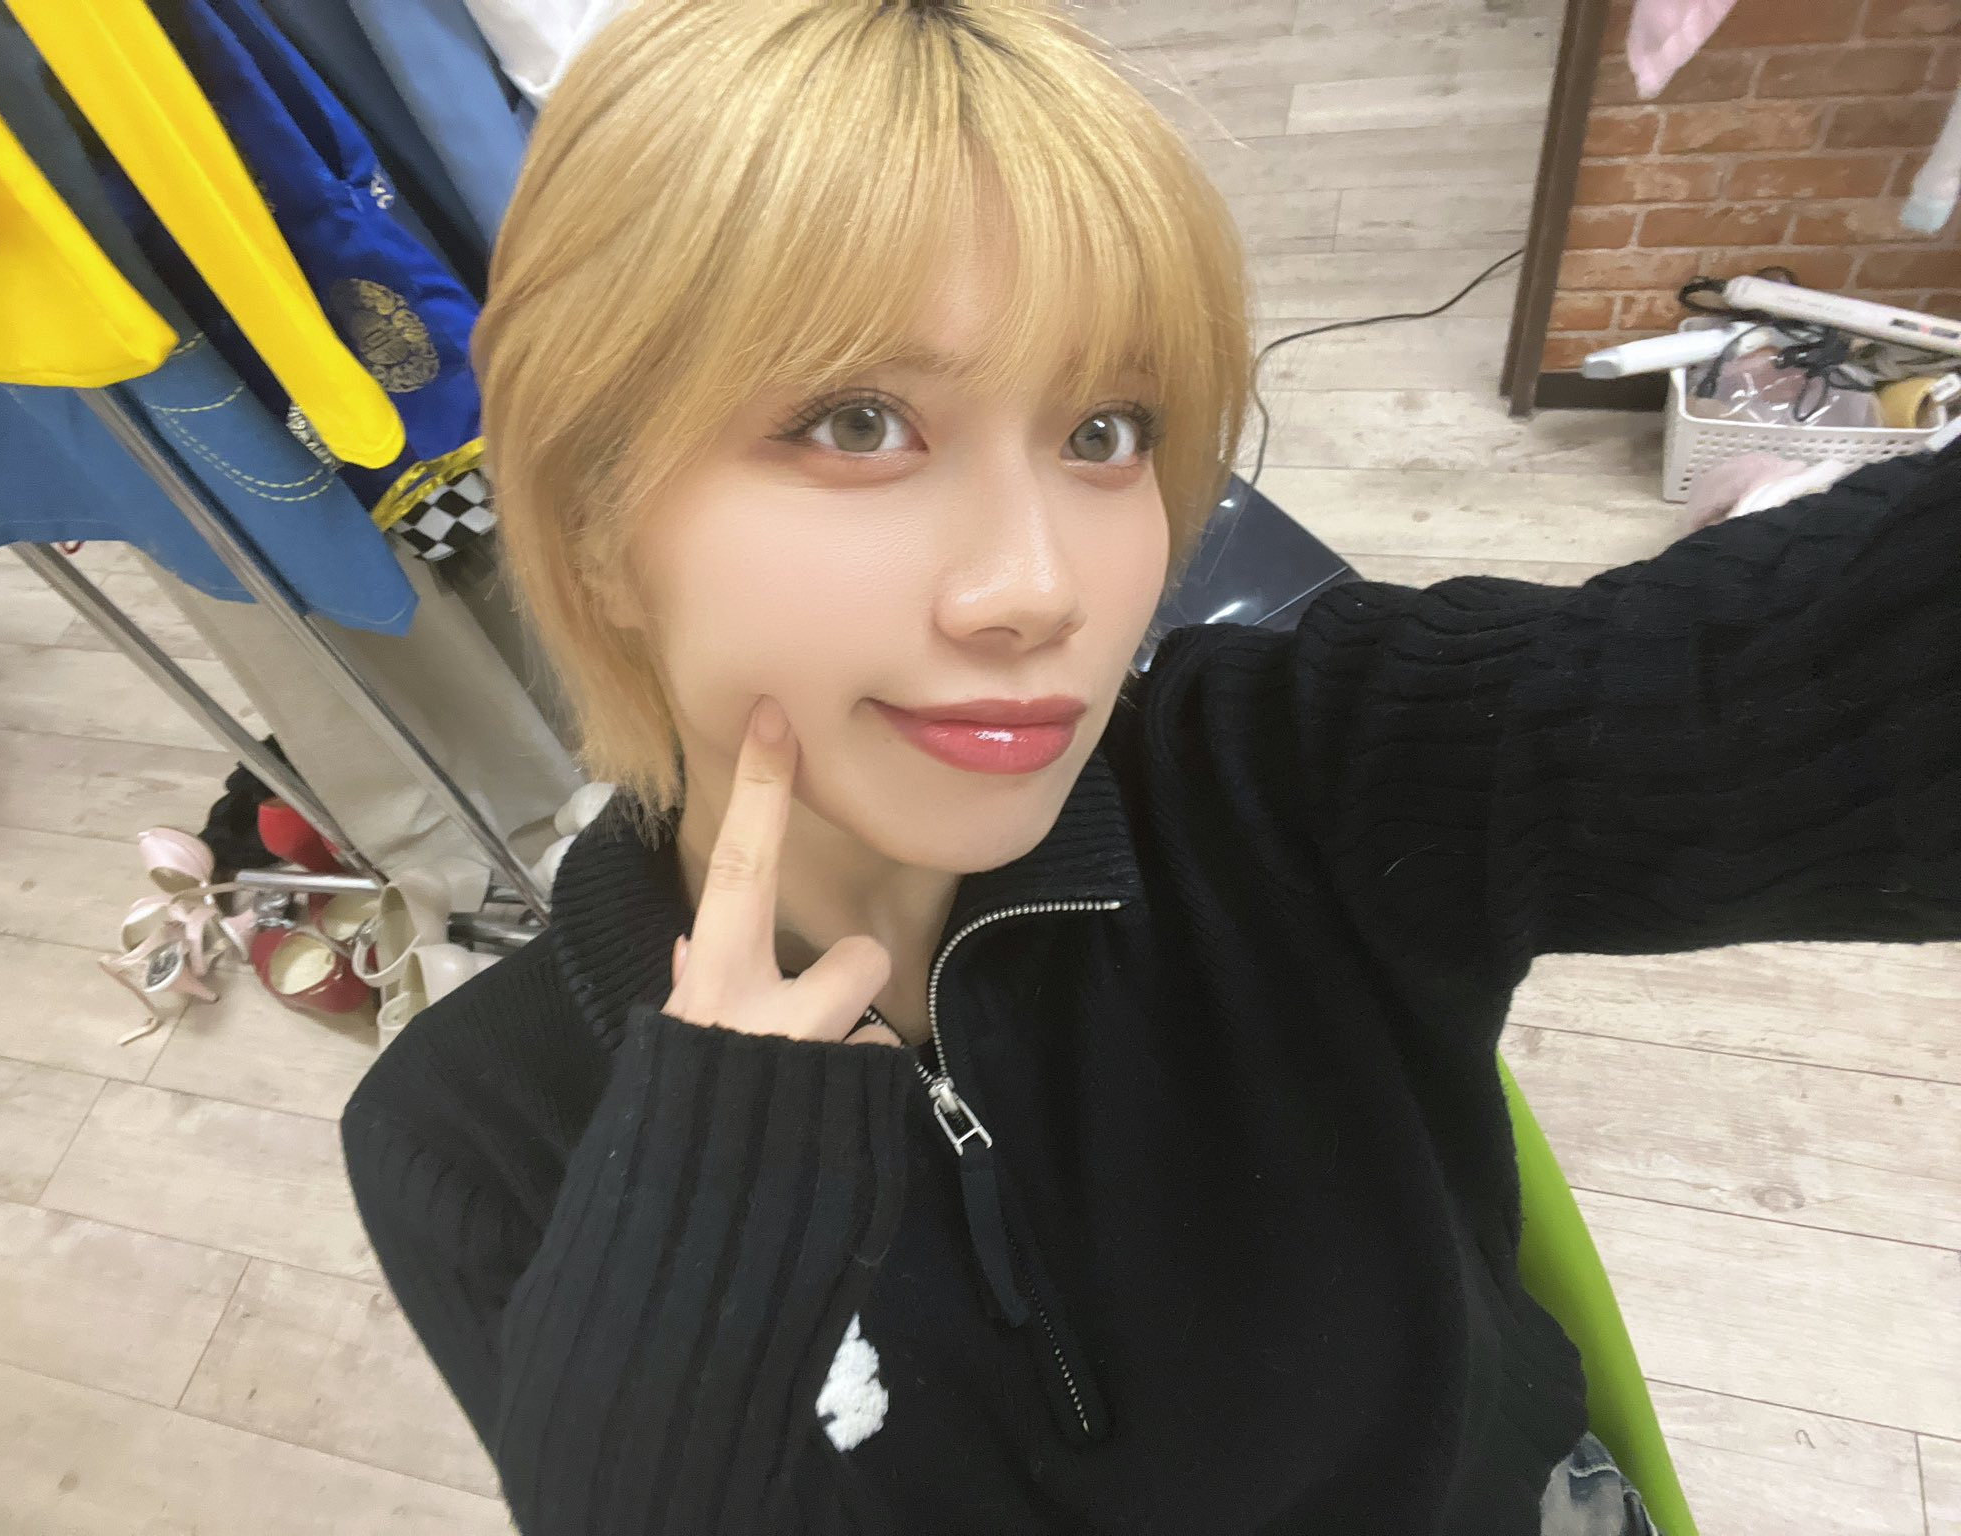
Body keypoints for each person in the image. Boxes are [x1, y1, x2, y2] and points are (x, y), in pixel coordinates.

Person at [337, 2, 1961, 1532]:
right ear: (597, 521)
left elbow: (1797, 682)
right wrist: (704, 1233)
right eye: (857, 423)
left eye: (1104, 431)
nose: (1041, 588)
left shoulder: (1296, 781)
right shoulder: (469, 1136)